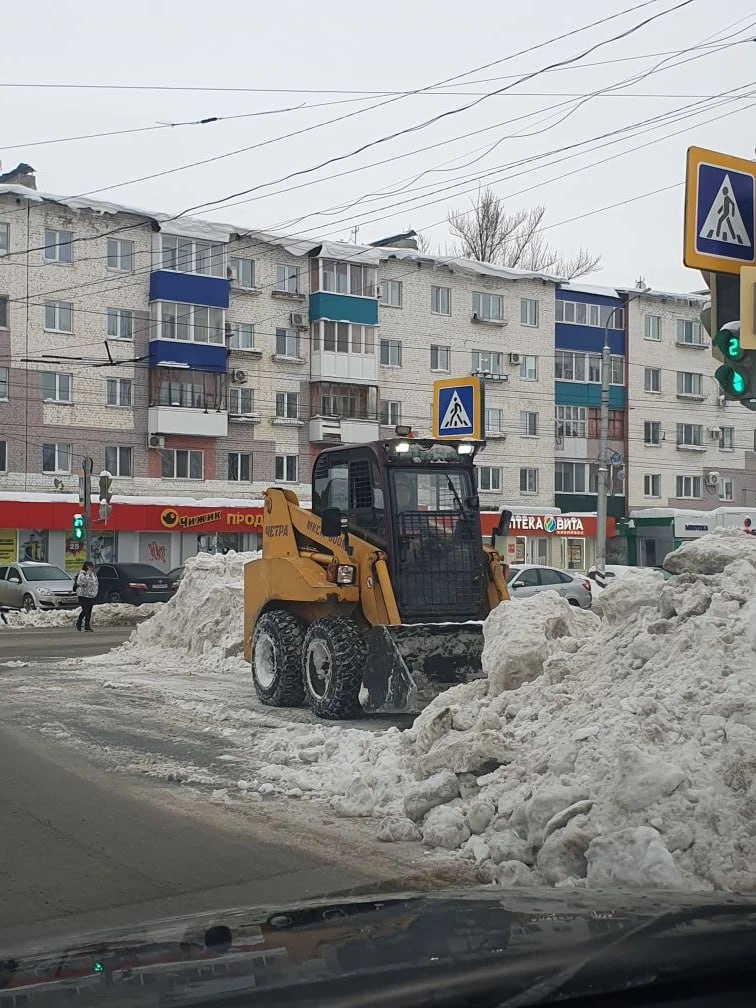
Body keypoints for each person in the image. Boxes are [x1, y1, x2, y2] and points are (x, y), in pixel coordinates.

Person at [74, 561, 99, 632]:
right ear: (85, 567)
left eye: (91, 567)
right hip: (83, 595)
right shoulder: (82, 574)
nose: (90, 568)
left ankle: (87, 626)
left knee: (89, 611)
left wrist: (95, 592)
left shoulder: (94, 574)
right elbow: (81, 583)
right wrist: (87, 575)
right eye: (89, 567)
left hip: (91, 595)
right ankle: (79, 622)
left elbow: (95, 583)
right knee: (85, 609)